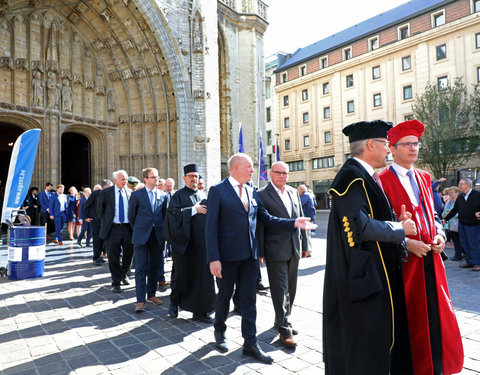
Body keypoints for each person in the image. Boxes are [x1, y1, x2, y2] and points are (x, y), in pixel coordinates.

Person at [323, 120, 417, 375]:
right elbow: (359, 226)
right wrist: (400, 230)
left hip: (372, 272)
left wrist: (396, 224)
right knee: (365, 344)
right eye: (386, 144)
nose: (388, 150)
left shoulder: (364, 175)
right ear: (371, 144)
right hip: (362, 276)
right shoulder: (352, 177)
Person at [206, 153, 315, 364]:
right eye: (248, 167)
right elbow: (210, 228)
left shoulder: (251, 191)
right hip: (226, 257)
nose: (253, 170)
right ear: (234, 168)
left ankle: (250, 343)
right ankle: (220, 331)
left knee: (249, 301)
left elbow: (266, 218)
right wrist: (214, 258)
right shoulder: (218, 191)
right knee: (224, 296)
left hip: (249, 256)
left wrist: (293, 223)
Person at [379, 119, 463, 375]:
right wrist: (405, 241)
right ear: (392, 149)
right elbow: (378, 226)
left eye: (416, 144)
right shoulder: (380, 180)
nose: (414, 149)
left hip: (432, 260)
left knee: (439, 314)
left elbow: (434, 215)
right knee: (411, 319)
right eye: (407, 145)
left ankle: (438, 366)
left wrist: (439, 234)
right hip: (403, 262)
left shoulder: (424, 177)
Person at [257, 161, 310, 348]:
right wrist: (261, 252)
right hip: (275, 249)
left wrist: (306, 244)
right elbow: (261, 225)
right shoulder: (262, 194)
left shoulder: (293, 192)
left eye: (285, 173)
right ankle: (285, 330)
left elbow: (301, 217)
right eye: (279, 173)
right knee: (280, 289)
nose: (283, 176)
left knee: (292, 288)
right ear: (271, 174)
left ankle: (281, 320)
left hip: (294, 247)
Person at [164, 164, 215, 323]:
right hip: (184, 245)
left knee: (203, 279)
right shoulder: (178, 196)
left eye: (196, 176)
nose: (194, 179)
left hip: (202, 246)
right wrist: (193, 210)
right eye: (191, 176)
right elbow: (172, 217)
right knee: (181, 277)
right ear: (185, 178)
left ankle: (201, 311)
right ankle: (174, 303)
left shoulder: (203, 193)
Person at [128, 167, 168, 313]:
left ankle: (151, 294)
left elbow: (164, 216)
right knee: (141, 268)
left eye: (157, 177)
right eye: (153, 177)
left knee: (154, 267)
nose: (156, 179)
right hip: (141, 236)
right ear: (145, 179)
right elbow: (131, 216)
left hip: (157, 236)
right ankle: (140, 300)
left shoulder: (163, 195)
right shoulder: (137, 195)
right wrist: (140, 229)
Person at [97, 170, 134, 293]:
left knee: (129, 253)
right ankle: (116, 281)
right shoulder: (106, 192)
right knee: (113, 256)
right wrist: (108, 220)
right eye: (123, 179)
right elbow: (99, 210)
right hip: (113, 228)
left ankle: (124, 274)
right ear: (116, 180)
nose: (125, 181)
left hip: (128, 227)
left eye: (126, 179)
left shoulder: (130, 192)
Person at [444, 178, 480, 271]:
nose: (459, 186)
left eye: (461, 184)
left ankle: (477, 263)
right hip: (462, 224)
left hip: (473, 225)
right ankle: (469, 261)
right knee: (464, 243)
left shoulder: (477, 195)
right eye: (459, 184)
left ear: (468, 185)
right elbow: (455, 209)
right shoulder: (460, 197)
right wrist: (445, 219)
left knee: (473, 244)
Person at [84, 179, 112, 265]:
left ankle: (101, 256)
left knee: (104, 239)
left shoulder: (109, 194)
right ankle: (96, 257)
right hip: (96, 220)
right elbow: (87, 205)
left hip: (106, 221)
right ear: (105, 187)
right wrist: (86, 217)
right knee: (97, 239)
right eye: (110, 187)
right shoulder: (95, 193)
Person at [442, 186, 464, 261]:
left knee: (457, 240)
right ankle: (462, 253)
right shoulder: (448, 202)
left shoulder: (459, 201)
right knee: (456, 239)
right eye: (449, 193)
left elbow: (459, 212)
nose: (450, 194)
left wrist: (449, 215)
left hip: (456, 223)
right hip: (449, 224)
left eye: (452, 193)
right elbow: (444, 211)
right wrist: (444, 216)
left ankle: (458, 255)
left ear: (457, 193)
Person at [298, 184, 315, 256]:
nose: (297, 191)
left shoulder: (305, 196)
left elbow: (299, 204)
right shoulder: (308, 195)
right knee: (306, 235)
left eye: (298, 189)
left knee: (306, 235)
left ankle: (308, 251)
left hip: (307, 218)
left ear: (302, 190)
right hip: (308, 218)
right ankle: (306, 250)